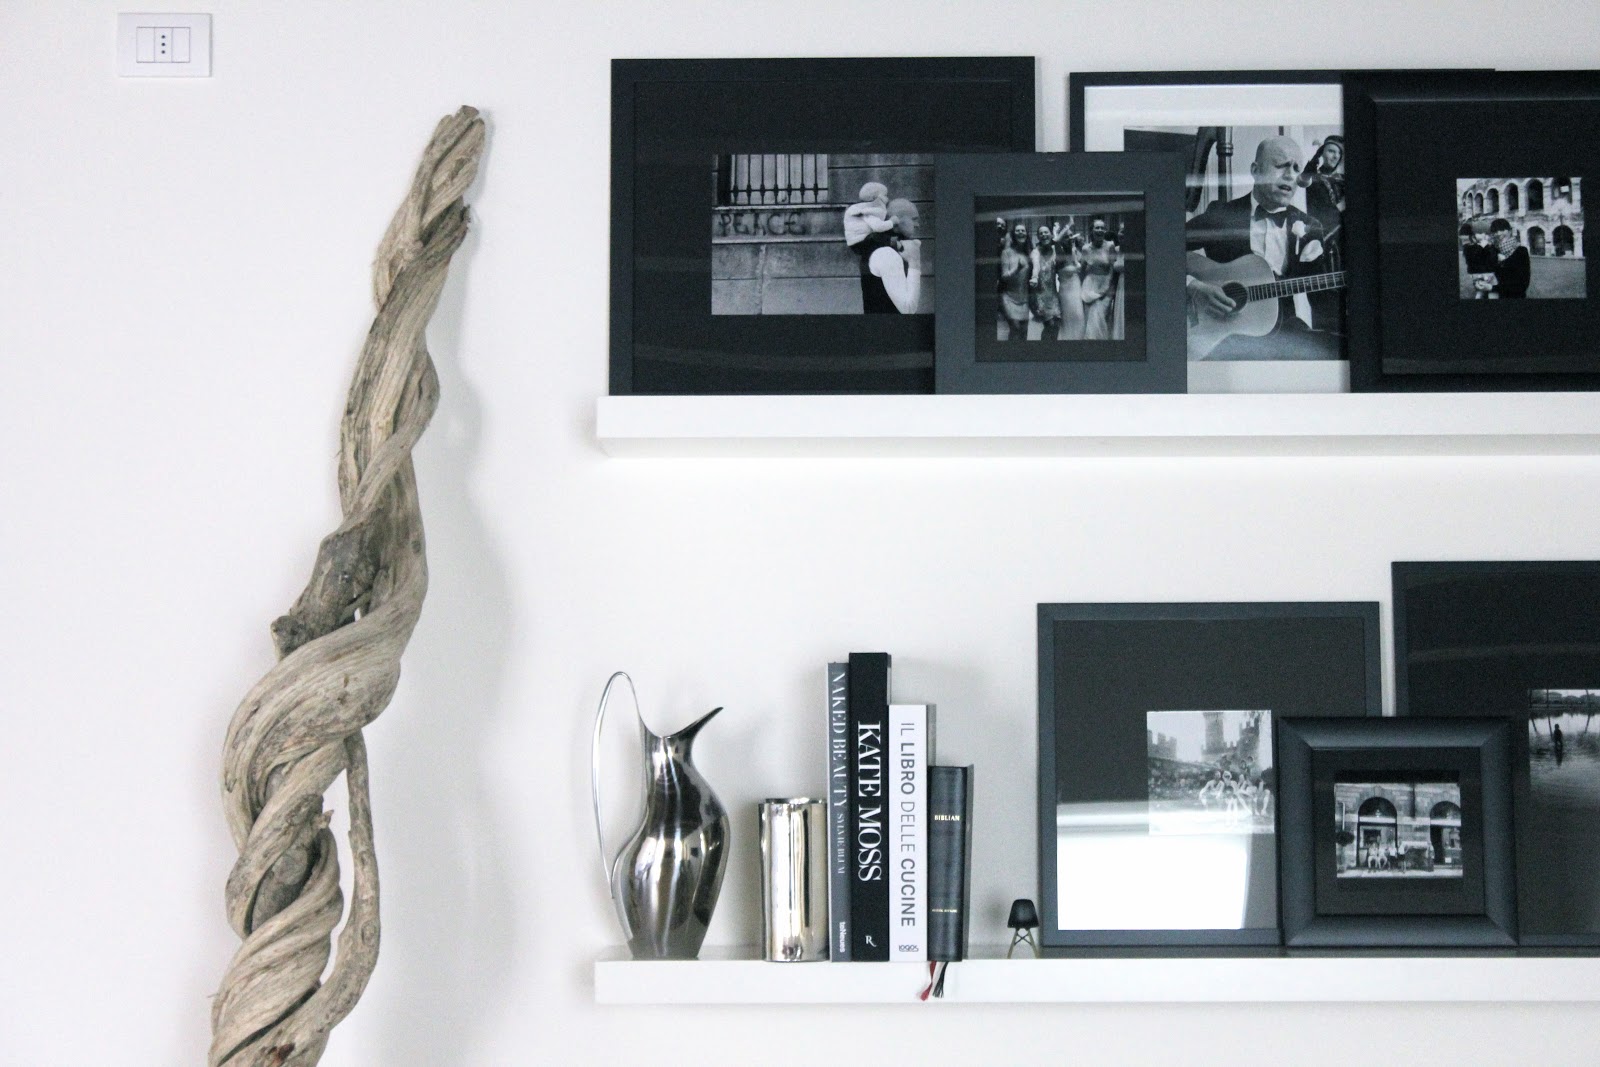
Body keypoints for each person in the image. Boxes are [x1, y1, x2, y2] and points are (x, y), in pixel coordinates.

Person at [1185, 135, 1339, 360]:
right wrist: (1194, 286)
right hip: (1223, 336)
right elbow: (1163, 249)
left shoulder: (1309, 226)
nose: (1290, 175)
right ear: (1255, 171)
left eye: (1297, 168)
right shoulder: (1221, 215)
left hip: (1284, 331)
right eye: (1281, 165)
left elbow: (1321, 298)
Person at [860, 198, 922, 314]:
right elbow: (908, 309)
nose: (917, 225)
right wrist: (915, 262)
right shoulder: (886, 253)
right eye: (914, 219)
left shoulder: (879, 246)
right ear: (896, 220)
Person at [1078, 218, 1122, 340]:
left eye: (1102, 228)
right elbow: (1082, 270)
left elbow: (1113, 268)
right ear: (1091, 231)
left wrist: (1107, 287)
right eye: (1097, 227)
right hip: (1089, 286)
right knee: (1090, 319)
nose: (1100, 230)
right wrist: (1079, 288)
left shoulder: (1110, 246)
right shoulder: (1086, 248)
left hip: (1106, 284)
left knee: (1101, 318)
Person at [1028, 223, 1066, 340]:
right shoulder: (1035, 252)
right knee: (1050, 325)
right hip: (1039, 295)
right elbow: (1036, 267)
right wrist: (1034, 277)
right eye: (1041, 233)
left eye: (1046, 232)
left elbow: (1062, 263)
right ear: (1038, 237)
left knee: (1056, 326)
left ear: (1051, 235)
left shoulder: (1055, 250)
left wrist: (1057, 241)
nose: (1044, 235)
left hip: (1053, 294)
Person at [998, 221, 1032, 339]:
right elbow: (1004, 276)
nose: (1020, 232)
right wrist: (1016, 269)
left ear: (1026, 234)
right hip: (1009, 297)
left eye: (1023, 230)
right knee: (1015, 328)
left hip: (1024, 298)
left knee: (1024, 332)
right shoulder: (1006, 253)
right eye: (1018, 230)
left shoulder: (1028, 253)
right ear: (1013, 235)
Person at [843, 181, 897, 252]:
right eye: (885, 195)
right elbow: (878, 227)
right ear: (875, 197)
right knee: (878, 237)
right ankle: (898, 245)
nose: (887, 198)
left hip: (856, 241)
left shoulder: (861, 207)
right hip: (861, 241)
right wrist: (892, 222)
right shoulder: (869, 211)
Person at [1490, 218, 1531, 298]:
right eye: (1495, 231)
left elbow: (1522, 285)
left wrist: (1492, 288)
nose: (1498, 233)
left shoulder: (1521, 251)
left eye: (1502, 230)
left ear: (1510, 231)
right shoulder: (1493, 250)